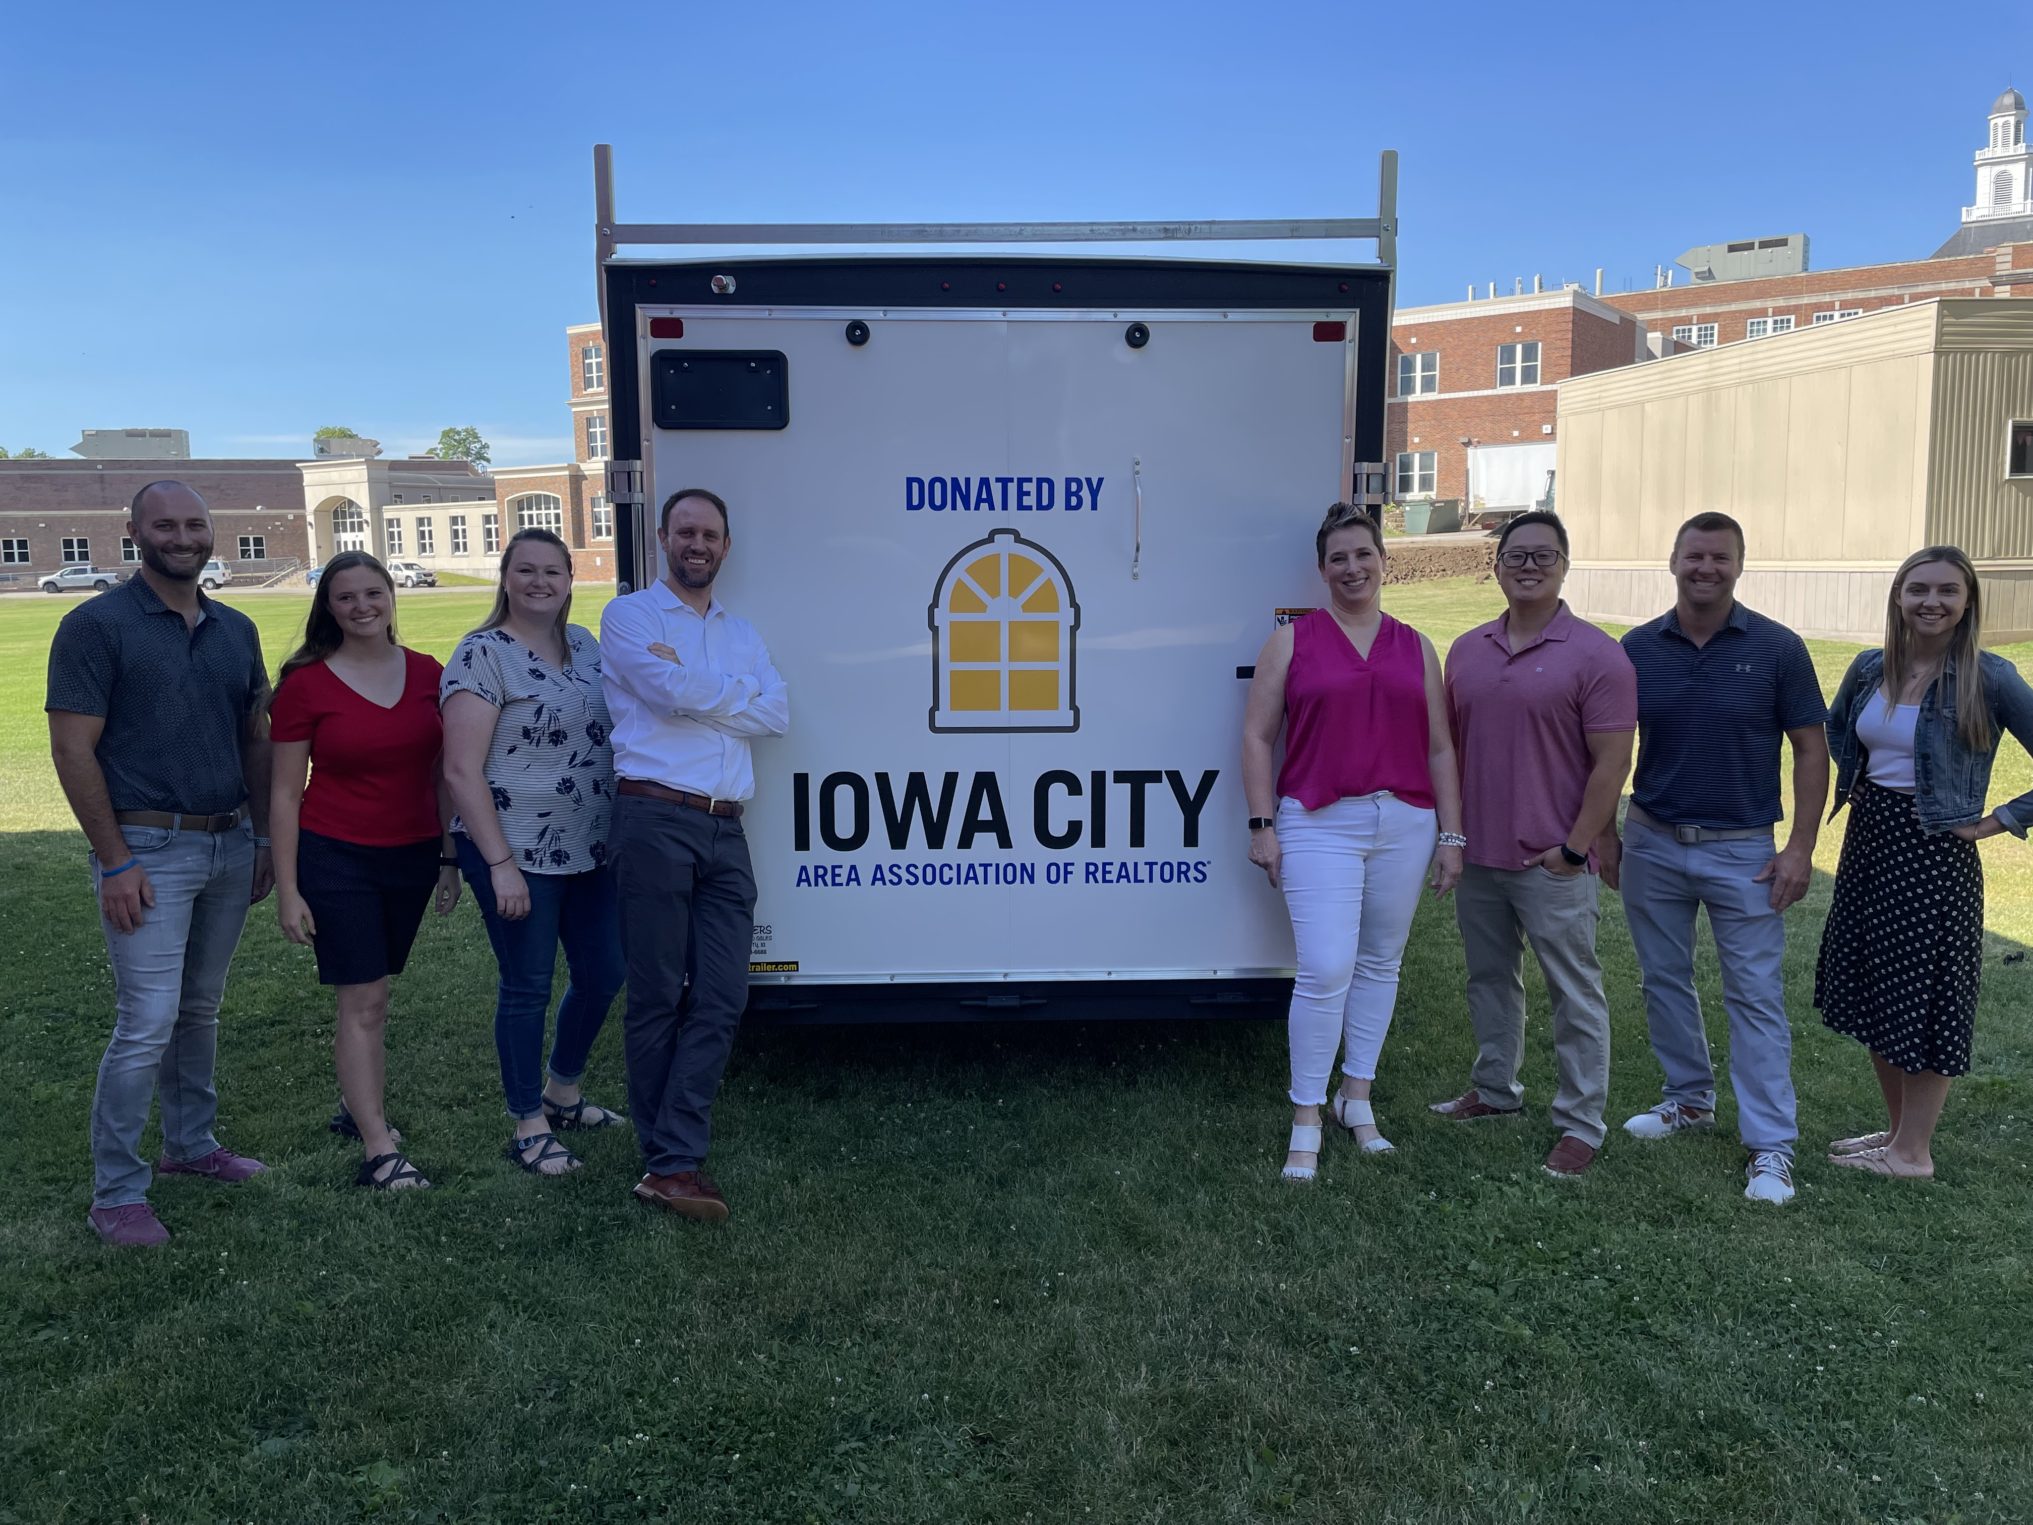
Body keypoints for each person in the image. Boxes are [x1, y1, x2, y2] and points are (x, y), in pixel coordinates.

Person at [46, 482, 275, 1247]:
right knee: (146, 1020)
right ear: (134, 532)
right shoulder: (95, 626)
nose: (182, 536)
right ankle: (115, 1193)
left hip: (229, 840)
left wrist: (266, 840)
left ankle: (192, 1147)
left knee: (199, 1008)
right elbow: (73, 747)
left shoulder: (235, 629)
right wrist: (114, 861)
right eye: (165, 524)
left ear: (213, 533)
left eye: (195, 524)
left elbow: (255, 738)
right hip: (145, 849)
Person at [1242, 504, 1464, 1181]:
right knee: (1324, 966)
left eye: (1362, 554)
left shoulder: (1415, 644)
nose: (1351, 568)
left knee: (1379, 962)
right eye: (1337, 558)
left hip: (1403, 821)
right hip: (1316, 820)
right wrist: (1262, 825)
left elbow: (1437, 747)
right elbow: (1256, 735)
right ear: (1321, 569)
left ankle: (1355, 1098)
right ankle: (1305, 1113)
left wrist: (1450, 833)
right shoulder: (1293, 641)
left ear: (1382, 560)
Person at [1611, 512, 1828, 1206]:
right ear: (1671, 559)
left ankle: (1770, 1146)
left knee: (1754, 996)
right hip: (1650, 838)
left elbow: (1811, 749)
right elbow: (1610, 748)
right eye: (1694, 556)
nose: (1705, 568)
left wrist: (1800, 847)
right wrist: (1603, 834)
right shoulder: (1637, 648)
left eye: (1720, 558)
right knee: (1662, 979)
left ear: (1739, 565)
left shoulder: (1776, 648)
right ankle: (1688, 1098)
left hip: (1744, 851)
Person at [1816, 545, 2033, 1180]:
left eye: (1946, 591)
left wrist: (1996, 822)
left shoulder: (1987, 677)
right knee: (1878, 990)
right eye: (1918, 590)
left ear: (1967, 603)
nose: (1930, 602)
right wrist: (1856, 782)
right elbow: (1838, 730)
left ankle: (1913, 1154)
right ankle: (1895, 1135)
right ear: (1898, 597)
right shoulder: (1869, 668)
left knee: (1927, 996)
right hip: (1870, 841)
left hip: (1935, 854)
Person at [600, 488, 788, 1221]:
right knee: (656, 994)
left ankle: (670, 1151)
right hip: (652, 817)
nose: (697, 543)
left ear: (726, 545)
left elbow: (775, 711)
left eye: (710, 533)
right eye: (685, 531)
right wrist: (721, 694)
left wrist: (693, 690)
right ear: (662, 538)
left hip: (725, 826)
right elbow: (662, 689)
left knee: (721, 993)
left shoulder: (742, 632)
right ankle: (672, 1162)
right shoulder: (631, 615)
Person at [1431, 510, 1637, 1179]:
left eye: (1541, 556)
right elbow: (1448, 750)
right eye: (1515, 556)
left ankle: (1580, 1122)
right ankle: (1495, 1090)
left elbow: (1611, 764)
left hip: (1551, 859)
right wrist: (1451, 837)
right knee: (1489, 982)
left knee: (1572, 992)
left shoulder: (1596, 654)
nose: (1527, 566)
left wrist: (1576, 849)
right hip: (1480, 855)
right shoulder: (1465, 649)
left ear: (1563, 565)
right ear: (1495, 566)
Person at [269, 551, 460, 1191]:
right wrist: (289, 889)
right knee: (365, 998)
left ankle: (358, 1109)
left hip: (409, 856)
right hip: (336, 855)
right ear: (328, 606)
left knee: (377, 993)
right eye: (345, 597)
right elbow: (285, 796)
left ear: (390, 597)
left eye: (372, 593)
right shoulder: (306, 685)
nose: (361, 607)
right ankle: (378, 1148)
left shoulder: (430, 673)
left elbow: (442, 775)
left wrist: (447, 858)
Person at [442, 529, 625, 1176]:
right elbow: (460, 770)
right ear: (506, 577)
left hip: (591, 845)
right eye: (526, 570)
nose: (539, 581)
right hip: (515, 850)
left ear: (571, 579)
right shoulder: (481, 654)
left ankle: (563, 1091)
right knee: (526, 985)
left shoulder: (584, 645)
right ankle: (528, 1124)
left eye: (552, 570)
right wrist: (497, 864)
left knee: (604, 970)